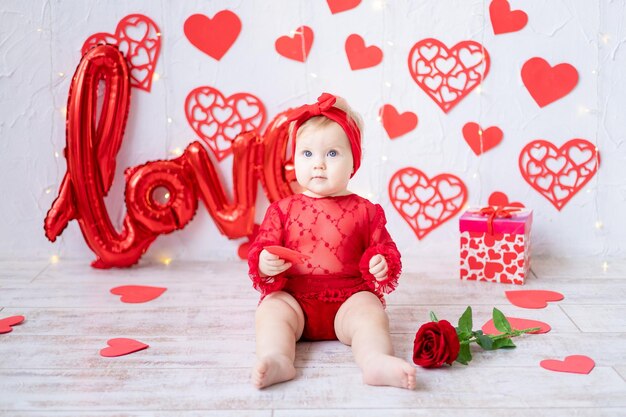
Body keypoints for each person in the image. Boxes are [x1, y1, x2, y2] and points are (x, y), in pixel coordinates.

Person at [248, 93, 416, 390]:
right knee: (271, 310)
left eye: (332, 154)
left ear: (354, 161)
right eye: (308, 154)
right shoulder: (282, 210)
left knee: (371, 313)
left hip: (349, 300)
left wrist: (382, 261)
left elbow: (385, 248)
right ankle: (277, 359)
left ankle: (375, 360)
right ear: (295, 157)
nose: (319, 165)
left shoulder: (365, 210)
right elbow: (262, 247)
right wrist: (265, 261)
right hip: (295, 299)